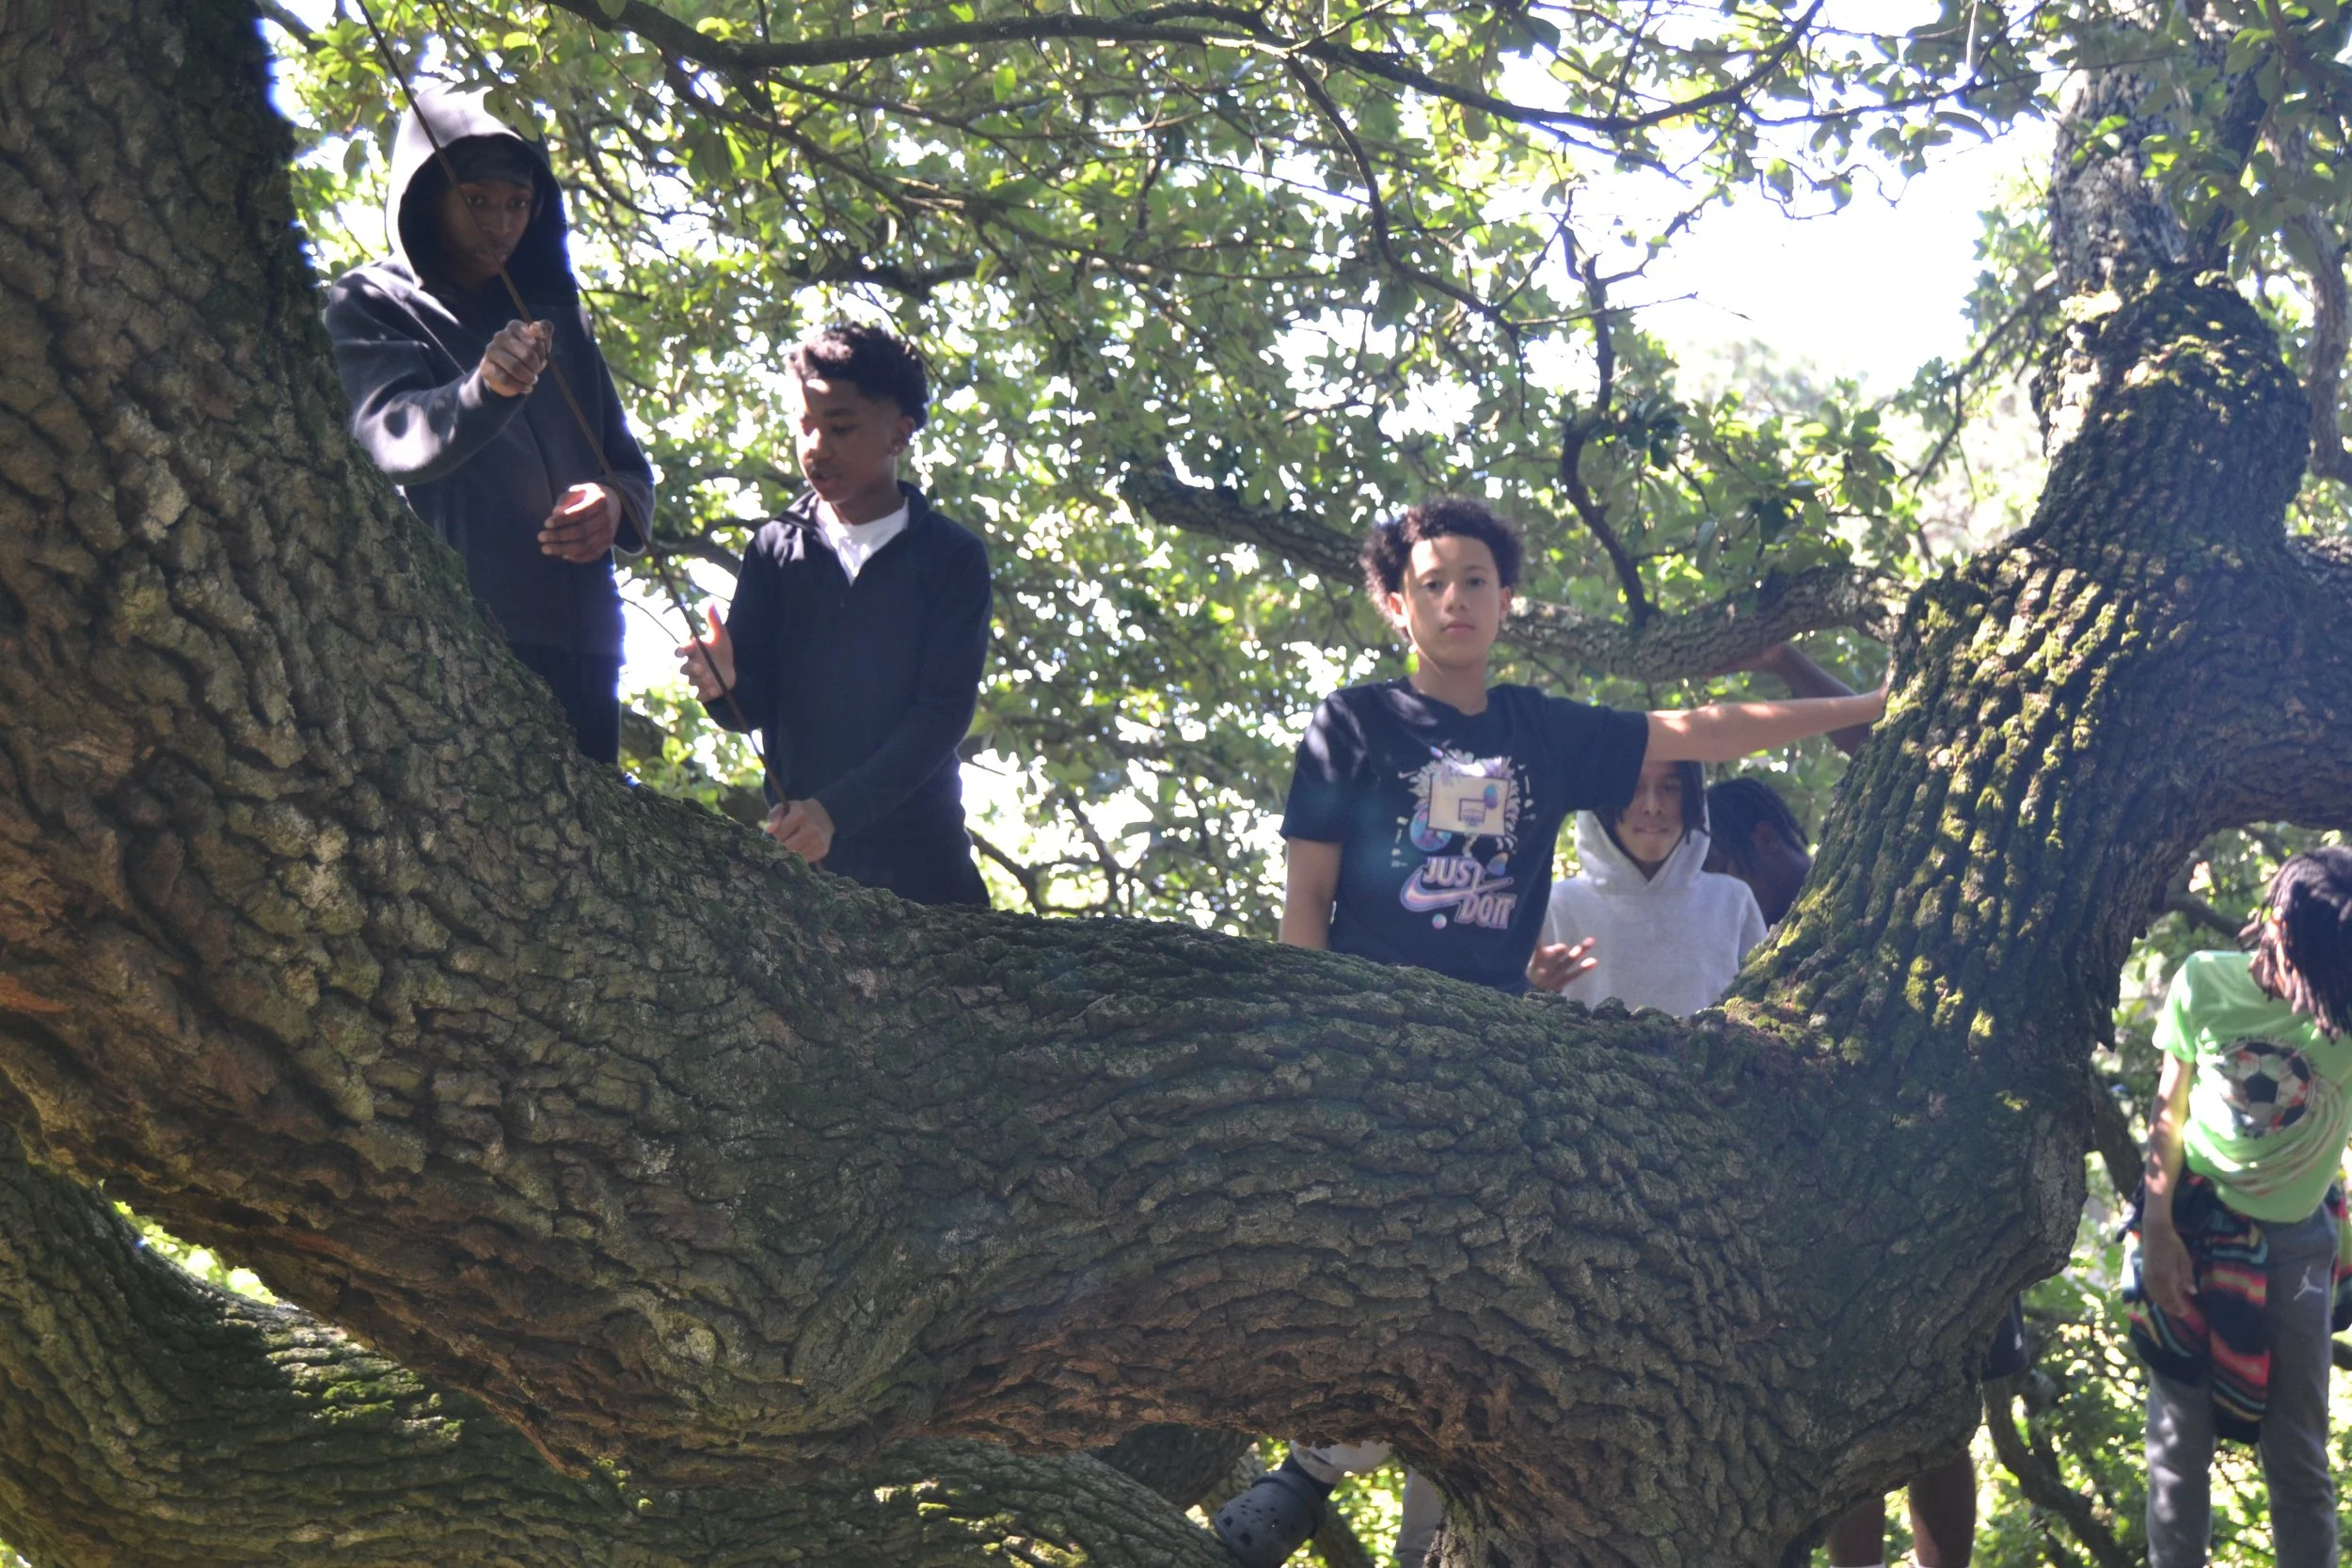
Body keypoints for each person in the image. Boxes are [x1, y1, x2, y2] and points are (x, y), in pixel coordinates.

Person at [1212, 500, 1884, 1568]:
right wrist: (1310, 1047)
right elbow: (1307, 898)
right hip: (1370, 1040)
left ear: (1507, 600)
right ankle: (1307, 1470)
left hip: (1492, 1056)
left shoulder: (1542, 733)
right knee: (1369, 1262)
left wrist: (1871, 704)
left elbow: (1703, 732)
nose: (1454, 599)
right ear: (1397, 606)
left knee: (1481, 1289)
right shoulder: (1354, 723)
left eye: (1475, 580)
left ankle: (1417, 1512)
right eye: (1431, 583)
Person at [1699, 770, 2026, 1568]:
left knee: (1938, 1413)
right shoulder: (1756, 935)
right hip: (1840, 1204)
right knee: (1851, 1416)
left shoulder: (1868, 891)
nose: (1719, 893)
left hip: (1944, 1190)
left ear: (1765, 841)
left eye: (1725, 869)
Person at [326, 86, 652, 764]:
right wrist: (486, 391)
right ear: (427, 195)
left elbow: (626, 466)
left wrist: (613, 505)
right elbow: (388, 437)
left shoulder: (557, 319)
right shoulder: (369, 302)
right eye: (475, 200)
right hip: (459, 632)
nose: (500, 225)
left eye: (517, 204)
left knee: (588, 825)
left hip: (589, 646)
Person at [675, 324, 993, 907]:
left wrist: (836, 811)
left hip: (928, 866)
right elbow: (753, 708)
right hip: (806, 871)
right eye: (805, 425)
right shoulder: (775, 547)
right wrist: (726, 683)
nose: (817, 447)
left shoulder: (951, 557)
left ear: (899, 434)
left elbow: (942, 714)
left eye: (840, 428)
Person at [2130, 847, 2352, 1568]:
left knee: (2298, 1451)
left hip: (2298, 1248)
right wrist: (2156, 1228)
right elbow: (2168, 1110)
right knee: (2177, 1451)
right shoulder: (2205, 982)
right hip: (2194, 1230)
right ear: (2277, 930)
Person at [1525, 756, 1767, 1010]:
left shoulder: (1731, 900)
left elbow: (1762, 1008)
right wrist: (1532, 989)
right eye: (1631, 787)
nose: (1652, 807)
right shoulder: (1556, 905)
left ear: (1694, 798)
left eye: (1670, 788)